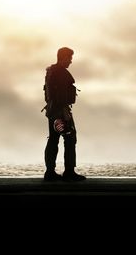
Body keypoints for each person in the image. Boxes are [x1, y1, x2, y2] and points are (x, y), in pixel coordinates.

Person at [42, 47, 86, 182]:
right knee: (70, 138)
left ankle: (50, 172)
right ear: (63, 57)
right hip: (60, 112)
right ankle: (69, 172)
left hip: (52, 111)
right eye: (69, 58)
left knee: (54, 139)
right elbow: (60, 94)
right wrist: (64, 111)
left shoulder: (51, 72)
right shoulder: (60, 73)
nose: (71, 61)